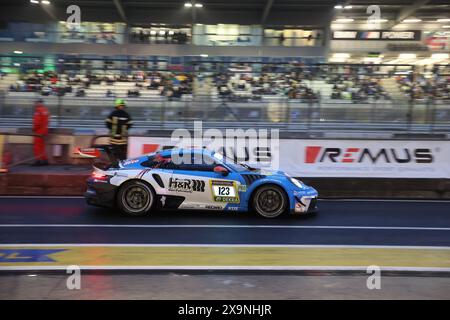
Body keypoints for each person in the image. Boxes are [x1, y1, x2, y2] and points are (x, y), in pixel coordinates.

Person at [32, 99, 50, 166]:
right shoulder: (46, 110)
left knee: (37, 147)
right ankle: (45, 160)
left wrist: (34, 129)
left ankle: (38, 160)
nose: (35, 104)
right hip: (44, 131)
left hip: (38, 131)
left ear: (39, 103)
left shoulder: (38, 111)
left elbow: (37, 122)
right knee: (42, 147)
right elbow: (47, 121)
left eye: (36, 103)